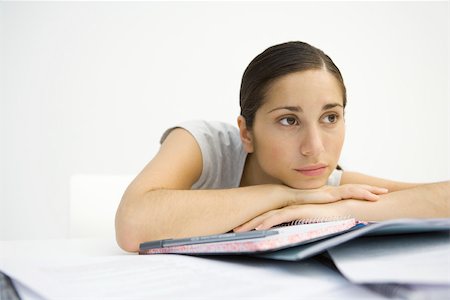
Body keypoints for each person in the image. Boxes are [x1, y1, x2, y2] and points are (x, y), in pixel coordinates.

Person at [115, 41, 449, 252]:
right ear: (246, 132)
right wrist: (284, 195)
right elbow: (132, 226)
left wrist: (335, 210)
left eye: (330, 117)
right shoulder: (202, 144)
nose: (314, 148)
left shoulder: (326, 185)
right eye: (289, 120)